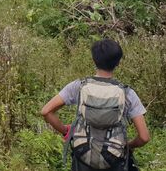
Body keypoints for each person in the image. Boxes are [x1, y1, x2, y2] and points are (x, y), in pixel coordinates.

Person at [40, 39, 149, 171]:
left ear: (94, 60)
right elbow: (144, 137)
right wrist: (127, 146)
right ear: (118, 63)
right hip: (114, 157)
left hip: (83, 154)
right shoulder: (127, 93)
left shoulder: (78, 86)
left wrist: (66, 131)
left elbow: (46, 111)